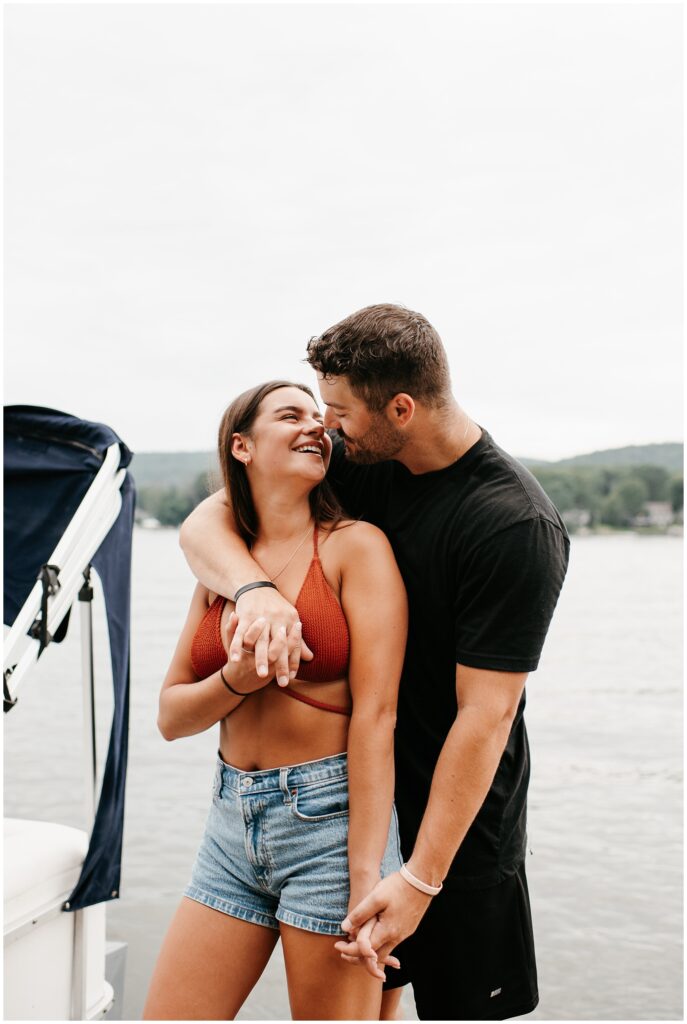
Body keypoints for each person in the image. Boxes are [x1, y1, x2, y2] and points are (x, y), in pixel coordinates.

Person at [180, 305, 570, 1021]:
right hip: (351, 800)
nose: (328, 428)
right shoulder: (367, 464)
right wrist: (255, 591)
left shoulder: (512, 525)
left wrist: (421, 878)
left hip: (453, 821)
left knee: (459, 1011)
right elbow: (207, 520)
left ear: (400, 407)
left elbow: (487, 714)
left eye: (339, 411)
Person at [143, 380, 408, 1021]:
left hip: (330, 825)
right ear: (242, 446)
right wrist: (237, 678)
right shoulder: (222, 568)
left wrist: (365, 876)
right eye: (291, 415)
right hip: (230, 825)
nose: (314, 426)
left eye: (319, 418)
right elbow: (171, 716)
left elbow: (377, 719)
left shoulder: (356, 547)